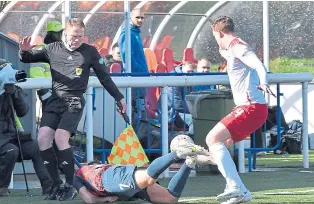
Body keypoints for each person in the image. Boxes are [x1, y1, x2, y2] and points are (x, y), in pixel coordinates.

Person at [19, 18, 127, 201]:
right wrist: (24, 51)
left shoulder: (90, 52)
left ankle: (70, 185)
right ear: (64, 35)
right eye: (73, 36)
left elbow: (105, 78)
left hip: (74, 100)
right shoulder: (52, 49)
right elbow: (28, 58)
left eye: (80, 36)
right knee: (43, 138)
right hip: (55, 100)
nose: (76, 39)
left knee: (61, 137)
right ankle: (55, 186)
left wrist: (119, 98)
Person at [207, 16, 275, 204]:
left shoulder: (238, 47)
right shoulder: (231, 49)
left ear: (219, 33)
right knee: (219, 144)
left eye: (215, 36)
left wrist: (263, 82)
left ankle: (235, 187)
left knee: (212, 138)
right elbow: (227, 53)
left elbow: (259, 66)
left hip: (251, 107)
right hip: (251, 108)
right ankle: (241, 192)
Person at [73, 137, 210, 203]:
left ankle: (179, 153)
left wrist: (106, 199)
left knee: (147, 178)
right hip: (121, 185)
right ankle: (189, 162)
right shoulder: (88, 170)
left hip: (109, 180)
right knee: (170, 199)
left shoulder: (77, 175)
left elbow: (90, 199)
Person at [0, 59, 52, 196]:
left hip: (11, 136)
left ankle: (49, 186)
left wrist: (14, 94)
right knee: (11, 150)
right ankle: (2, 187)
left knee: (36, 147)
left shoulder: (12, 89)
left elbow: (23, 112)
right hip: (3, 141)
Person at [119, 8, 149, 131]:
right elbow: (127, 57)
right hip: (134, 79)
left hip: (139, 79)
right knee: (135, 113)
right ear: (130, 18)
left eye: (142, 17)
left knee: (139, 112)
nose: (140, 20)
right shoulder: (127, 34)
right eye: (137, 17)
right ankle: (133, 144)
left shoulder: (135, 33)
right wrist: (141, 70)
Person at [164, 61, 195, 136]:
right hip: (171, 114)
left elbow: (192, 97)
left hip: (181, 111)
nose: (190, 74)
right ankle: (192, 143)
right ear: (182, 68)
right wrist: (194, 111)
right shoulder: (173, 79)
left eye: (192, 72)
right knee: (195, 121)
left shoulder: (188, 79)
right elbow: (177, 104)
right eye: (188, 71)